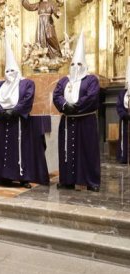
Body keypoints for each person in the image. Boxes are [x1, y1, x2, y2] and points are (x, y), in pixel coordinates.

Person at [53, 31, 100, 192]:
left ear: (84, 65)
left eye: (79, 64)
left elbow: (92, 96)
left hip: (85, 121)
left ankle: (91, 181)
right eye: (73, 64)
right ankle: (67, 180)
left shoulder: (91, 79)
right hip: (67, 120)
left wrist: (76, 105)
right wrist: (65, 105)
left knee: (87, 151)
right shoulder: (64, 80)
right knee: (66, 151)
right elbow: (57, 95)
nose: (75, 67)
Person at [0, 36, 35, 189]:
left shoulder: (27, 83)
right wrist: (2, 112)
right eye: (7, 70)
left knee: (20, 149)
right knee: (3, 149)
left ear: (17, 70)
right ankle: (4, 176)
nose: (10, 73)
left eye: (12, 70)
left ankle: (23, 177)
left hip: (19, 123)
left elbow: (27, 99)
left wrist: (14, 111)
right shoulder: (0, 85)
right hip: (4, 122)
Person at [116, 57, 130, 164]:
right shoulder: (122, 93)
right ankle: (123, 157)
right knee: (124, 138)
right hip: (125, 120)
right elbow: (119, 105)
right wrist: (124, 114)